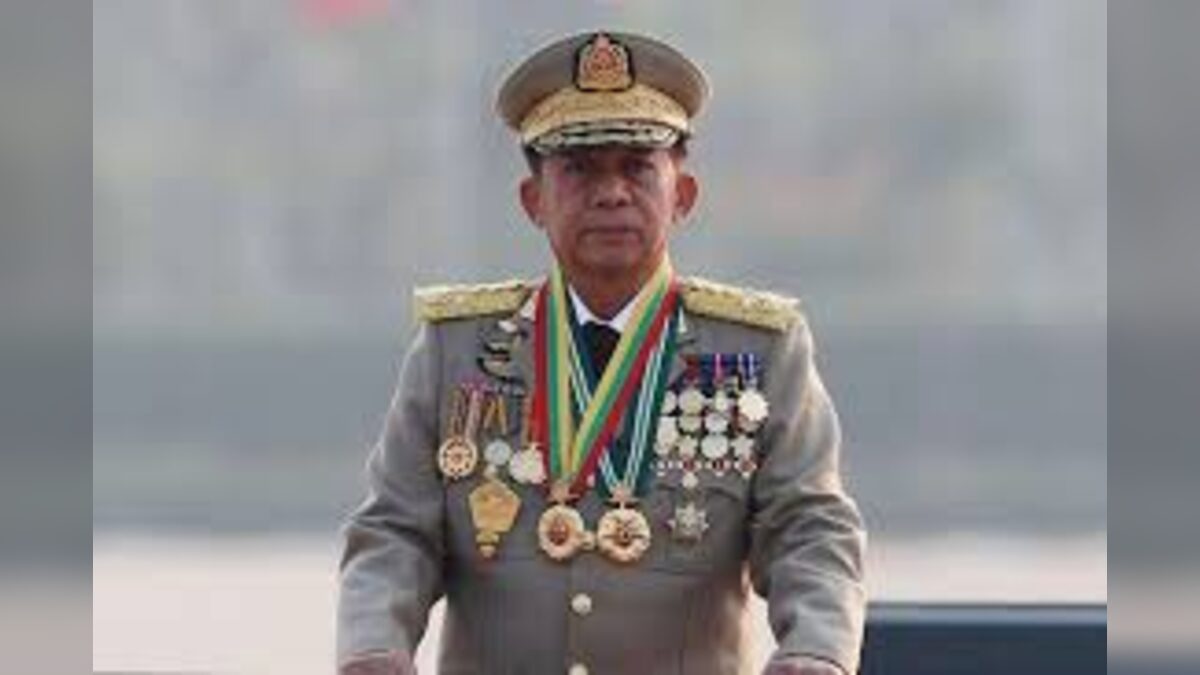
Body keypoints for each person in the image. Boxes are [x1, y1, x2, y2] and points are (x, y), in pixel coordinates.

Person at [337, 30, 866, 675]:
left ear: (683, 195)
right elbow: (394, 532)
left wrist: (815, 651)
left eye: (637, 167)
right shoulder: (458, 349)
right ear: (533, 200)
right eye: (580, 169)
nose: (611, 193)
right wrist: (374, 647)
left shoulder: (758, 351)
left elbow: (811, 530)